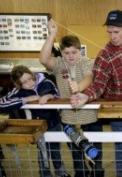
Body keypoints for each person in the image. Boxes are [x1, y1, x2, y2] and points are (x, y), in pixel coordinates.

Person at [70, 9, 122, 177]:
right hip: (117, 110)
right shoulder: (105, 56)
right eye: (109, 32)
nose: (112, 36)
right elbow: (98, 84)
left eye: (116, 32)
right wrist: (85, 95)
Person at [39, 19, 104, 177]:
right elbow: (43, 59)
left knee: (97, 153)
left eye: (74, 52)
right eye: (66, 53)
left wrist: (79, 87)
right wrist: (52, 34)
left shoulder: (88, 61)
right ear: (61, 53)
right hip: (69, 119)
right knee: (76, 155)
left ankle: (97, 173)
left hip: (91, 118)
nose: (70, 56)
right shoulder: (59, 64)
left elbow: (89, 77)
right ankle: (81, 174)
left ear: (80, 51)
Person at [0, 65, 70, 177]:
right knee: (43, 151)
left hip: (54, 122)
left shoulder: (47, 82)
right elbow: (2, 103)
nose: (30, 83)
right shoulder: (18, 90)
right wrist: (25, 99)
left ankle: (61, 172)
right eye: (25, 82)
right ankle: (45, 174)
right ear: (18, 84)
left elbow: (58, 95)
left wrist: (48, 95)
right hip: (38, 125)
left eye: (30, 78)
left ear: (32, 75)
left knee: (56, 150)